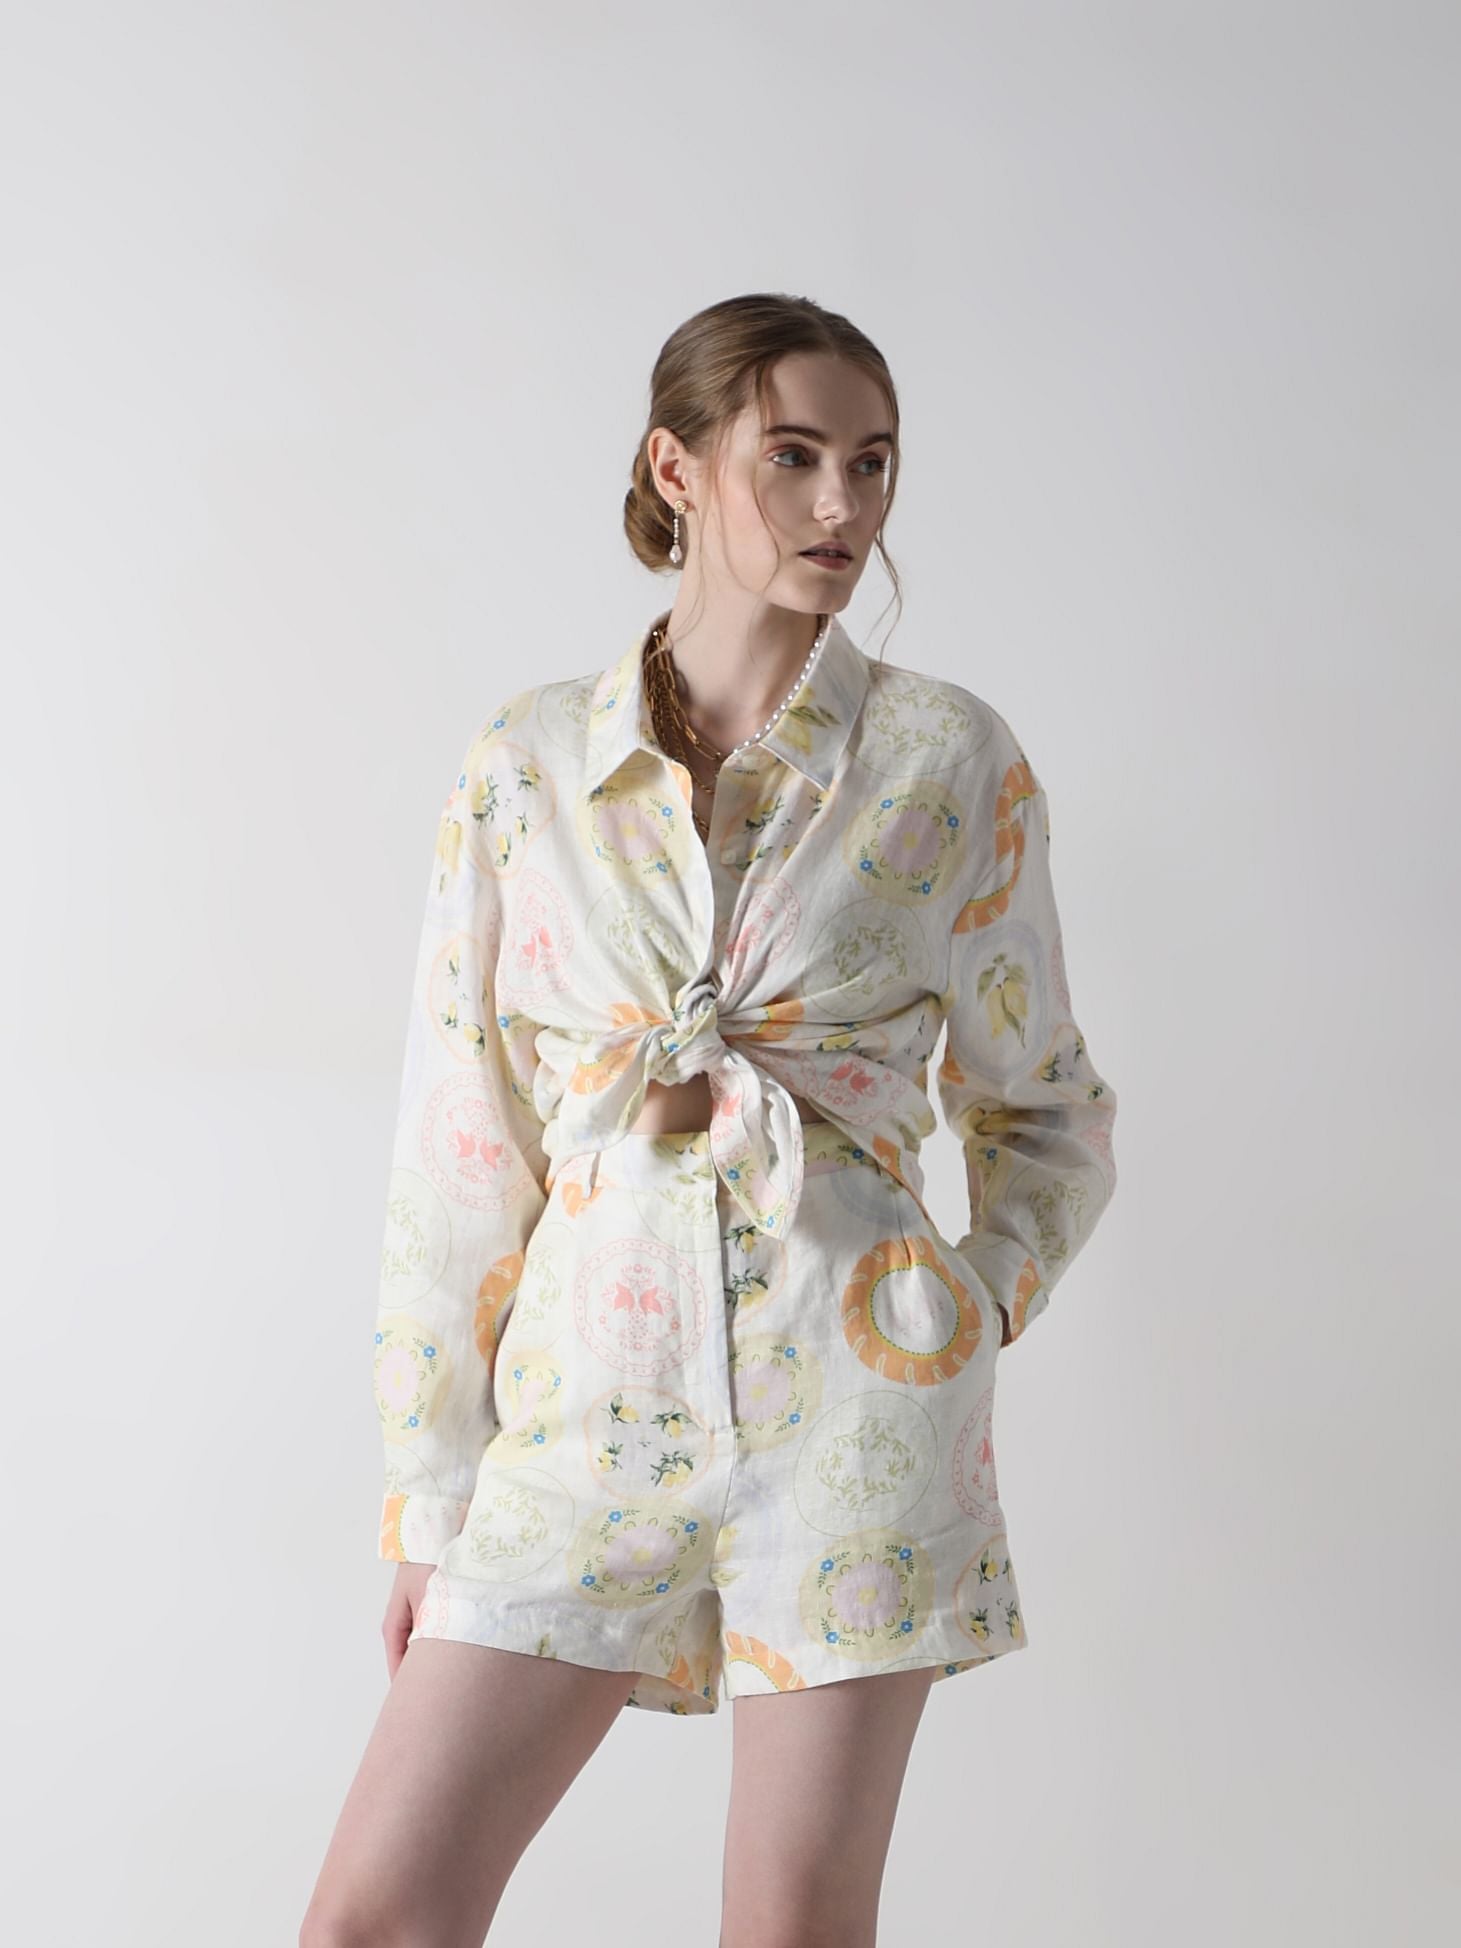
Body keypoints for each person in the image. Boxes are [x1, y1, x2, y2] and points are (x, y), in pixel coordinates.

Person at [300, 291, 1118, 1948]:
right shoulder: (529, 763)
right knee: (374, 1920)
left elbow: (1044, 1112)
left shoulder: (944, 757)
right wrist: (430, 1504)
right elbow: (461, 1146)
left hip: (854, 1408)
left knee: (793, 1927)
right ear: (675, 469)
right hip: (579, 1410)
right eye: (792, 457)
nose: (840, 505)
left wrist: (958, 1311)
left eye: (871, 464)